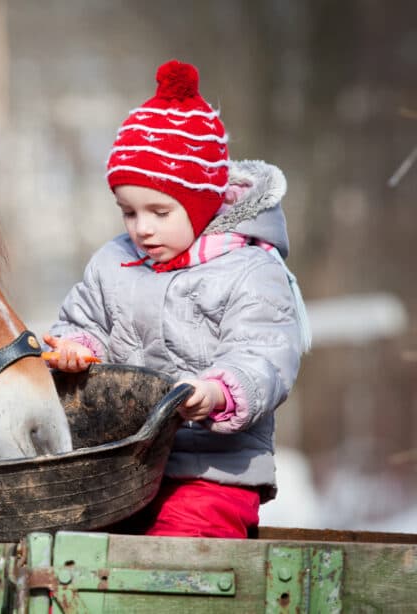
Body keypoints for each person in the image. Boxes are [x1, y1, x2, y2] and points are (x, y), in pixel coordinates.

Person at [43, 59, 310, 538]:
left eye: (160, 211)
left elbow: (263, 355)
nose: (142, 227)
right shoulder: (113, 262)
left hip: (213, 473)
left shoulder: (252, 271)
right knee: (76, 545)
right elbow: (83, 319)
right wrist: (75, 348)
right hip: (122, 469)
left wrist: (217, 392)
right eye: (128, 211)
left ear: (203, 204)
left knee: (175, 554)